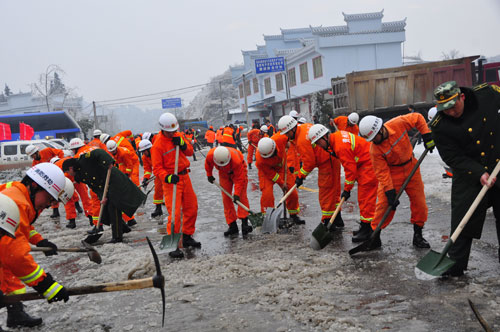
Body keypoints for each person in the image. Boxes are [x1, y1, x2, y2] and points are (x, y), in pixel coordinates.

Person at [430, 81, 500, 276]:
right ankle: (455, 265)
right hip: (469, 171)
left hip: (497, 159)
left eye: (453, 106)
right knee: (463, 217)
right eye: (446, 110)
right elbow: (453, 157)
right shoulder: (440, 125)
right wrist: (479, 172)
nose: (451, 112)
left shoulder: (486, 95)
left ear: (462, 97)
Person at [0, 163, 71, 328]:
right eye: (49, 199)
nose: (48, 205)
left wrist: (39, 240)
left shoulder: (22, 196)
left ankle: (16, 313)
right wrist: (47, 285)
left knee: (9, 277)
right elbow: (16, 256)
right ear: (34, 185)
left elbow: (23, 229)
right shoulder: (18, 203)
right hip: (6, 253)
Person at [358, 113, 434, 250]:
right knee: (384, 205)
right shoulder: (374, 150)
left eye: (375, 137)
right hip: (393, 173)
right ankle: (375, 236)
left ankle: (418, 235)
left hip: (411, 166)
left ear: (380, 129)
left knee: (419, 203)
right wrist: (389, 191)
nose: (374, 141)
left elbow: (417, 118)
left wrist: (426, 135)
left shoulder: (397, 123)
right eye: (371, 139)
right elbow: (382, 172)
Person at [307, 125, 378, 241]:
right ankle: (365, 227)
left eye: (318, 143)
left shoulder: (340, 146)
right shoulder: (336, 138)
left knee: (366, 199)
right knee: (363, 199)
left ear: (324, 137)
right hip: (364, 163)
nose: (319, 146)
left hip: (368, 165)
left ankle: (368, 230)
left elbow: (350, 170)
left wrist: (347, 190)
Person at [63, 148, 145, 243]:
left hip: (113, 179)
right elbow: (94, 186)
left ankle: (117, 237)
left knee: (113, 208)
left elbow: (99, 152)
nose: (69, 174)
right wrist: (102, 197)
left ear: (70, 168)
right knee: (106, 209)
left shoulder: (84, 160)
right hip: (104, 187)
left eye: (68, 172)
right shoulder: (79, 175)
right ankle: (124, 228)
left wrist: (109, 162)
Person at [151, 113, 201, 256]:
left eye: (174, 130)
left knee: (192, 208)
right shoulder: (157, 145)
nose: (172, 133)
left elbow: (190, 152)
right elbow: (157, 168)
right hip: (171, 182)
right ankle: (173, 244)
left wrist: (183, 144)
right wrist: (167, 178)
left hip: (185, 176)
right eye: (169, 131)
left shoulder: (178, 136)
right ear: (162, 129)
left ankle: (186, 236)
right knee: (175, 214)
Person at [279, 115, 340, 226]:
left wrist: (300, 176)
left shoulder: (302, 140)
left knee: (326, 192)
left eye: (287, 133)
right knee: (334, 191)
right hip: (331, 158)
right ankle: (337, 219)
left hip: (327, 162)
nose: (287, 137)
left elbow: (309, 163)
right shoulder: (303, 127)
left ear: (292, 129)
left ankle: (327, 222)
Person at [205, 146, 252, 236]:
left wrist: (237, 194)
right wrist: (209, 175)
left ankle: (244, 224)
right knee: (226, 198)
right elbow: (208, 164)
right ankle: (232, 225)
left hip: (238, 172)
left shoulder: (236, 161)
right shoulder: (211, 155)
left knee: (241, 197)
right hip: (223, 174)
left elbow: (239, 179)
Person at [255, 137, 301, 223]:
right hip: (266, 173)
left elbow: (289, 136)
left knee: (292, 192)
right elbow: (271, 174)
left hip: (282, 169)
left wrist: (288, 144)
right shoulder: (260, 159)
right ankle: (268, 218)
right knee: (267, 194)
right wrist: (281, 182)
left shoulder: (280, 139)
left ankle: (293, 215)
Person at [106, 140, 140, 227]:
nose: (113, 152)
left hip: (131, 162)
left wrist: (126, 175)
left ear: (116, 148)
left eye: (114, 151)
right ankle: (130, 219)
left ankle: (137, 194)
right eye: (111, 151)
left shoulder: (123, 153)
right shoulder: (110, 153)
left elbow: (129, 165)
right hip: (122, 164)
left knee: (134, 179)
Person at [26, 144, 65, 219]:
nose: (33, 157)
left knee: (66, 191)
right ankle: (55, 211)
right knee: (51, 194)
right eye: (31, 156)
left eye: (33, 155)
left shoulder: (47, 151)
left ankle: (77, 205)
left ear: (36, 152)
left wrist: (61, 163)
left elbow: (60, 152)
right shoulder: (34, 163)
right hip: (48, 179)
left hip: (57, 173)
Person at [139, 139, 164, 218]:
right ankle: (158, 209)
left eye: (144, 151)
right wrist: (146, 179)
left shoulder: (157, 152)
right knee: (158, 191)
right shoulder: (144, 157)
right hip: (158, 174)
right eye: (142, 152)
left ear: (149, 149)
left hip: (166, 171)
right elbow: (148, 169)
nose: (143, 153)